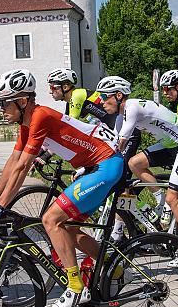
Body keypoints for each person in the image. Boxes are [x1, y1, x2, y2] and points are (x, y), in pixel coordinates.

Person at [0, 69, 124, 307]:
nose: (1, 108)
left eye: (4, 103)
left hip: (105, 166)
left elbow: (24, 167)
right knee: (68, 230)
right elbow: (13, 162)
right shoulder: (27, 122)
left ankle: (76, 288)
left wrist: (1, 206)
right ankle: (115, 270)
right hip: (95, 167)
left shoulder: (40, 116)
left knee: (50, 219)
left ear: (22, 101)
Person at [97, 75, 178, 268]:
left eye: (105, 97)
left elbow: (120, 143)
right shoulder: (121, 115)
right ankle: (160, 199)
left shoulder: (133, 107)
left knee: (175, 198)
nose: (101, 102)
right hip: (170, 145)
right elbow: (110, 142)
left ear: (119, 95)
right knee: (135, 164)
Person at [46, 67, 135, 241]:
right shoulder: (71, 101)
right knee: (116, 186)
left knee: (119, 184)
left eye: (54, 87)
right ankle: (125, 225)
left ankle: (121, 227)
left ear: (66, 86)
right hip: (113, 134)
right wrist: (44, 153)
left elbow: (69, 130)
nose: (50, 91)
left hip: (124, 133)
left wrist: (46, 155)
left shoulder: (77, 95)